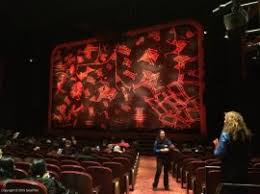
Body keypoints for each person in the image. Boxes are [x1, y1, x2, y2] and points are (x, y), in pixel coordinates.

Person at [213, 111, 252, 194]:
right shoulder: (247, 135)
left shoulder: (226, 134)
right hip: (243, 172)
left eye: (225, 119)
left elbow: (219, 153)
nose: (224, 121)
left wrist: (217, 145)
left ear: (229, 121)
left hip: (229, 173)